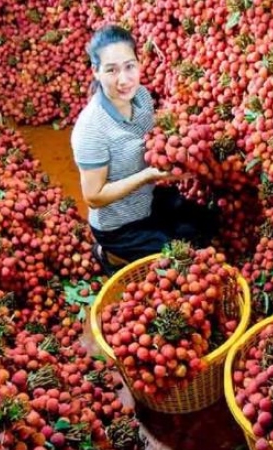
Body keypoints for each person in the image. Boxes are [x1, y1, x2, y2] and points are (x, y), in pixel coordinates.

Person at [71, 24, 219, 275]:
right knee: (181, 266)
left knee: (208, 224)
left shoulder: (141, 96)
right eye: (111, 70)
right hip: (119, 227)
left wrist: (179, 144)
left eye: (130, 66)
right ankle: (110, 253)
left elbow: (153, 140)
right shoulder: (91, 129)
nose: (124, 79)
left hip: (147, 201)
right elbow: (94, 197)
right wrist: (148, 175)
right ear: (95, 71)